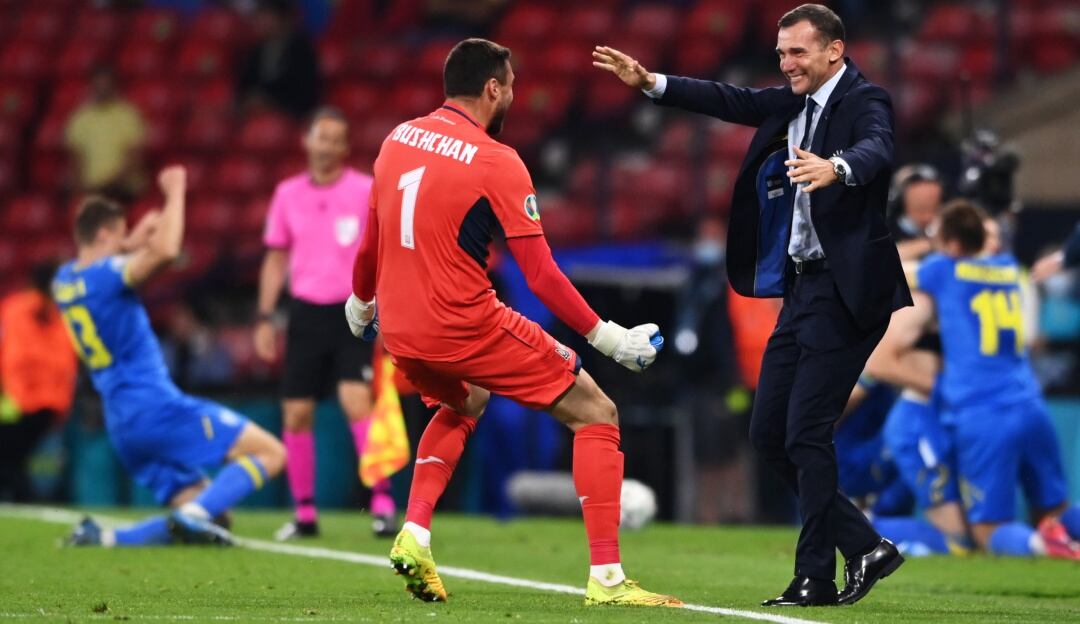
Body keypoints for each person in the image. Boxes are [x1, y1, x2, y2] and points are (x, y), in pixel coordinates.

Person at [594, 3, 910, 607]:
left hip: (847, 292)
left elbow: (877, 149)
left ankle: (814, 575)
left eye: (798, 53)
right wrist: (652, 83)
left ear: (834, 51)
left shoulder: (866, 101)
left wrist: (837, 167)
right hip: (802, 289)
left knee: (806, 432)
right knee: (769, 433)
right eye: (782, 53)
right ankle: (865, 545)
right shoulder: (794, 101)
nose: (787, 64)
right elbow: (730, 99)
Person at [345, 38, 681, 607]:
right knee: (597, 411)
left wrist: (360, 302)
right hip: (463, 324)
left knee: (466, 400)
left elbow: (372, 238)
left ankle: (416, 532)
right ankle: (608, 579)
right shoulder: (495, 159)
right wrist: (609, 338)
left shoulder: (396, 138)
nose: (516, 96)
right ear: (492, 88)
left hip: (399, 329)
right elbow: (542, 274)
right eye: (513, 85)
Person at [56, 167, 286, 547]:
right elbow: (165, 252)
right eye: (118, 233)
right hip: (154, 406)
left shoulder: (65, 280)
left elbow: (102, 264)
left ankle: (107, 538)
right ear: (102, 235)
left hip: (121, 422)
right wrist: (175, 191)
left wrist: (129, 242)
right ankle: (192, 517)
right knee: (271, 453)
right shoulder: (109, 276)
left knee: (217, 515)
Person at [883, 200, 1080, 559]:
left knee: (987, 530)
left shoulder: (944, 270)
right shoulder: (1007, 267)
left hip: (983, 413)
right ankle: (1055, 538)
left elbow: (891, 266)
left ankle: (1041, 545)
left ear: (954, 245)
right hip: (1030, 403)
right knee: (1053, 511)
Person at [254, 107, 393, 540]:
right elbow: (276, 258)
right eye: (322, 137)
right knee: (296, 412)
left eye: (336, 139)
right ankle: (305, 512)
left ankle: (383, 502)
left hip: (354, 311)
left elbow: (385, 253)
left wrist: (387, 311)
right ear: (307, 141)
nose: (328, 146)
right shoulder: (287, 194)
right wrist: (264, 317)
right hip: (305, 312)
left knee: (357, 402)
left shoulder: (365, 190)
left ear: (346, 147)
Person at [0, 261, 79, 501]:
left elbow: (9, 355)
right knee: (13, 460)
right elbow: (67, 363)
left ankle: (29, 501)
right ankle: (27, 500)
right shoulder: (60, 315)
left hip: (14, 401)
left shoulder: (14, 308)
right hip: (51, 402)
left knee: (9, 461)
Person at [65, 65, 146, 201]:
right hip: (91, 190)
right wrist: (81, 187)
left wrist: (107, 185)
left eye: (106, 84)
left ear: (114, 86)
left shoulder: (128, 115)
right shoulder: (80, 118)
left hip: (122, 188)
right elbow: (75, 159)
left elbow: (134, 158)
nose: (102, 89)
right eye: (98, 84)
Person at [236, 0, 321, 120]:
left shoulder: (302, 52)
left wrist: (270, 104)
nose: (259, 22)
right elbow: (245, 86)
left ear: (284, 19)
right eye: (258, 16)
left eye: (265, 16)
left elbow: (305, 96)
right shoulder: (256, 51)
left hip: (289, 120)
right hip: (255, 120)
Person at [887, 164, 944, 261]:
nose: (928, 217)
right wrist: (931, 243)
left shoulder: (946, 226)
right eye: (920, 210)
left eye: (934, 209)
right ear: (902, 204)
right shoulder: (885, 230)